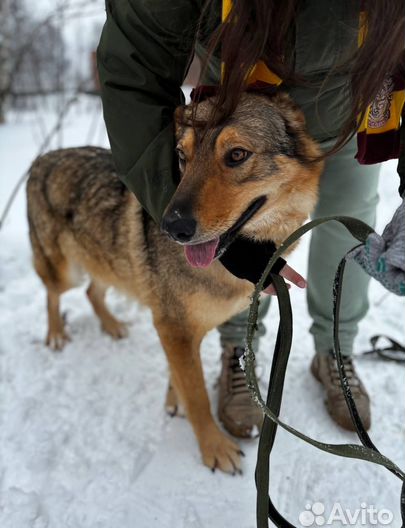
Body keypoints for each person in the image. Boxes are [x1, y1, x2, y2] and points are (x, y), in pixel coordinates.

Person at [97, 0, 405, 436]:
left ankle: (335, 349)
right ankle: (238, 349)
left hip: (356, 112)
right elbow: (134, 68)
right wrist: (179, 199)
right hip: (234, 107)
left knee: (348, 226)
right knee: (233, 244)